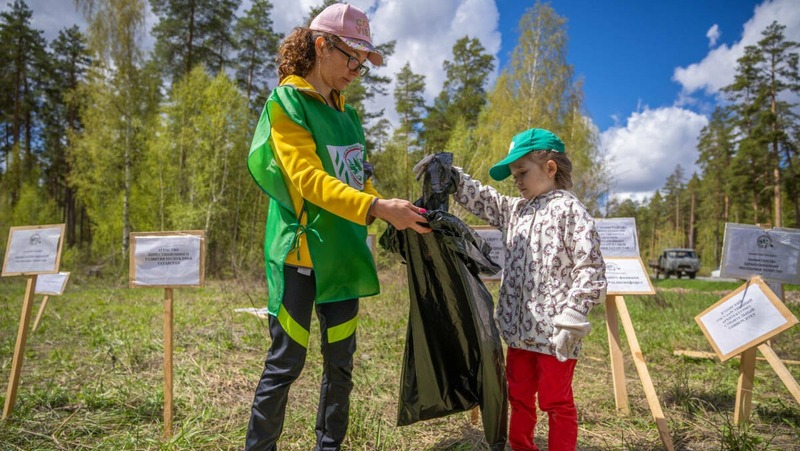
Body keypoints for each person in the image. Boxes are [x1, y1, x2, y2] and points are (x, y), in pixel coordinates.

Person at [245, 3, 430, 450]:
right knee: (286, 363)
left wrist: (395, 210)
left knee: (341, 364)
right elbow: (308, 181)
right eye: (351, 57)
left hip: (345, 256)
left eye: (363, 63)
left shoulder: (349, 116)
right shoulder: (287, 103)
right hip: (301, 254)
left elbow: (357, 177)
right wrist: (378, 208)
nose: (356, 70)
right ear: (321, 45)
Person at [414, 128, 607, 451]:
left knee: (556, 401)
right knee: (518, 396)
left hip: (557, 334)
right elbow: (485, 199)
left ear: (550, 168)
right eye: (514, 175)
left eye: (521, 172)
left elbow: (591, 267)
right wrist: (452, 176)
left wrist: (574, 314)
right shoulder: (516, 210)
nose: (516, 181)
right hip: (518, 334)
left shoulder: (571, 212)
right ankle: (521, 446)